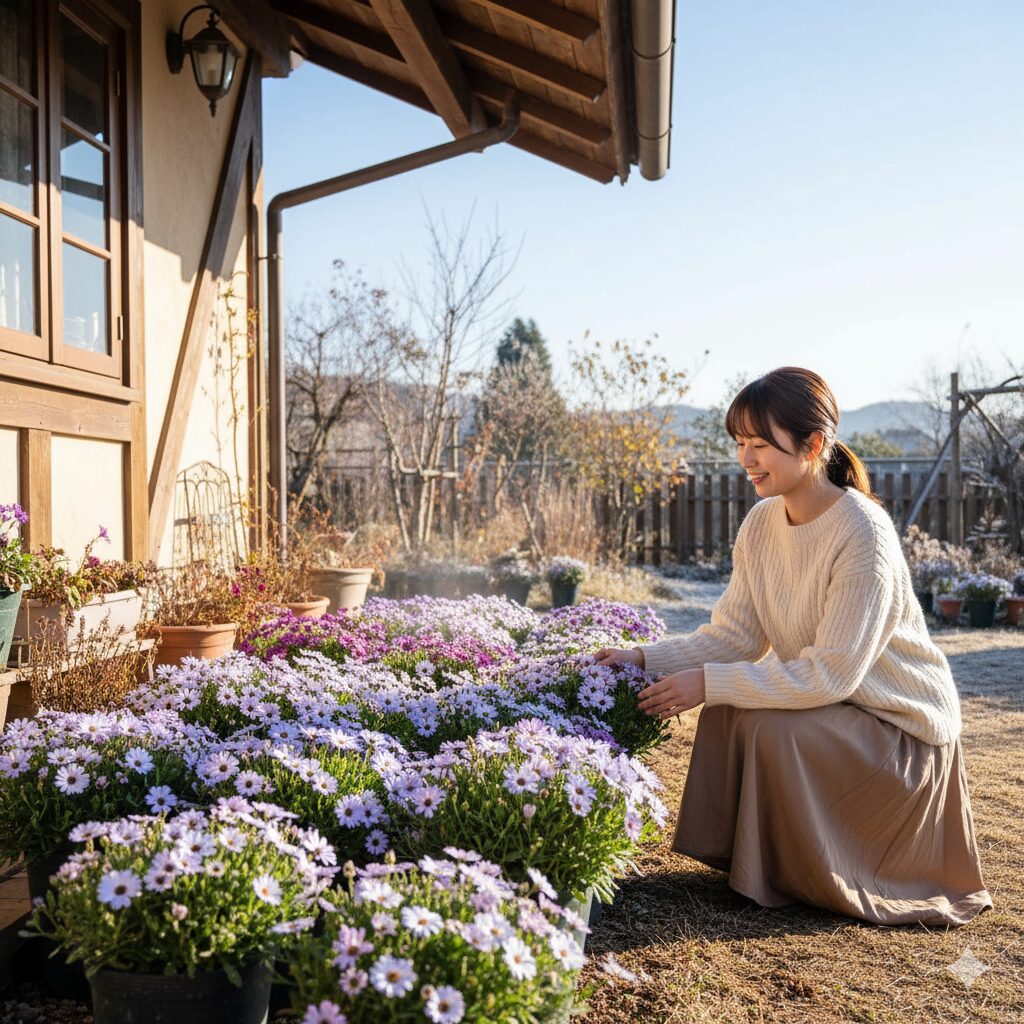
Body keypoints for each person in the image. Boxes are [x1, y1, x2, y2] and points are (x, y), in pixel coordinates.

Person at [596, 366, 992, 927]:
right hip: (840, 713)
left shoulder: (863, 532)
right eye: (740, 443)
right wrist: (641, 658)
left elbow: (831, 674)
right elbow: (734, 636)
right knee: (731, 711)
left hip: (900, 731)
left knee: (763, 723)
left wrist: (707, 682)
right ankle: (756, 869)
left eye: (761, 444)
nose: (747, 459)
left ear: (813, 445)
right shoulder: (761, 523)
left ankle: (801, 873)